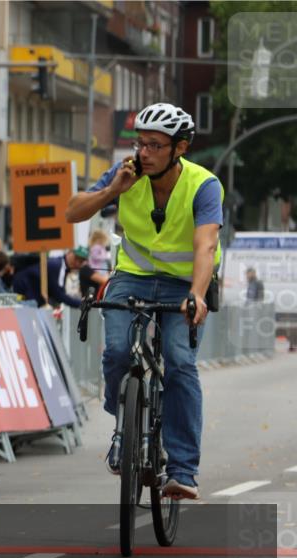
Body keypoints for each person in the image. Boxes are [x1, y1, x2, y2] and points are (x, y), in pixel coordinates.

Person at [65, 102, 222, 500]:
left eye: (155, 145)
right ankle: (125, 426)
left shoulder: (204, 185)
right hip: (132, 278)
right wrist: (113, 190)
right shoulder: (127, 173)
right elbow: (72, 212)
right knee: (118, 351)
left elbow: (205, 245)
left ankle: (183, 470)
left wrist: (197, 294)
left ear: (179, 148)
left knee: (179, 361)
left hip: (184, 284)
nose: (144, 153)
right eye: (140, 143)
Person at [11, 247, 88, 307]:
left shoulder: (60, 265)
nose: (77, 263)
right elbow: (58, 294)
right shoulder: (57, 265)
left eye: (81, 261)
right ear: (69, 253)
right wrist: (79, 303)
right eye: (75, 258)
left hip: (28, 295)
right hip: (25, 295)